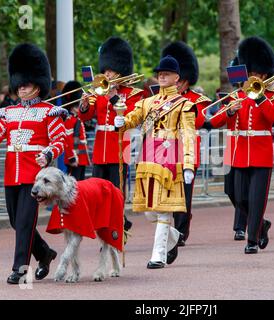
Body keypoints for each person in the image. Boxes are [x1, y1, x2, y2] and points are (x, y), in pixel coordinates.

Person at [0, 43, 67, 284]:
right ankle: (45, 254)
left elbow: (60, 140)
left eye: (26, 84)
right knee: (16, 222)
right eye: (20, 84)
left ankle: (20, 268)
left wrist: (46, 154)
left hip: (34, 176)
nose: (22, 88)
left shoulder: (49, 112)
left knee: (25, 221)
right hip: (11, 173)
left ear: (38, 85)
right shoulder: (9, 112)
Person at [114, 55, 196, 269]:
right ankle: (175, 236)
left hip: (170, 158)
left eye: (166, 73)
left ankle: (158, 255)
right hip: (148, 156)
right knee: (149, 209)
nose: (161, 75)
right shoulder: (147, 102)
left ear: (176, 78)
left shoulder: (184, 105)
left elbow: (188, 135)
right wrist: (121, 120)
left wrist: (189, 163)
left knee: (162, 210)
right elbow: (133, 119)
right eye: (160, 73)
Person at [211, 36, 274, 254]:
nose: (254, 77)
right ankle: (262, 225)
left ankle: (252, 240)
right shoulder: (237, 95)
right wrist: (230, 110)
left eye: (257, 74)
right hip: (240, 154)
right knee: (239, 198)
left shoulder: (273, 97)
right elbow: (214, 121)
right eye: (251, 73)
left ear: (264, 74)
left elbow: (272, 118)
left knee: (256, 199)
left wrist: (260, 98)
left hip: (261, 154)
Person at [79, 37, 144, 232]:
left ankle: (116, 228)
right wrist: (83, 105)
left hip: (118, 148)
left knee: (116, 192)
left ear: (121, 70)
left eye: (111, 70)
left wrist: (113, 96)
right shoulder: (97, 91)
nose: (107, 73)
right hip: (100, 148)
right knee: (98, 192)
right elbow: (86, 116)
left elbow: (131, 116)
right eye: (105, 70)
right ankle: (112, 224)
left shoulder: (133, 94)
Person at [160, 41, 212, 246]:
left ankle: (181, 231)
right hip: (167, 151)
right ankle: (169, 228)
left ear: (186, 80)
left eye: (180, 80)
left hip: (188, 152)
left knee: (185, 194)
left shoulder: (197, 100)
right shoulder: (162, 98)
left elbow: (198, 122)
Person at [210, 55, 248, 241]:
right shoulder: (231, 97)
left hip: (247, 148)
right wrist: (230, 110)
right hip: (231, 146)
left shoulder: (256, 97)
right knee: (230, 190)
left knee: (242, 191)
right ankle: (256, 218)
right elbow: (215, 121)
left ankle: (241, 226)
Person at [62, 80, 90, 181]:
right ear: (74, 107)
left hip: (81, 158)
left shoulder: (77, 119)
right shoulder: (70, 120)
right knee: (73, 186)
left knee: (80, 186)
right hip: (74, 159)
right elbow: (67, 140)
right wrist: (71, 158)